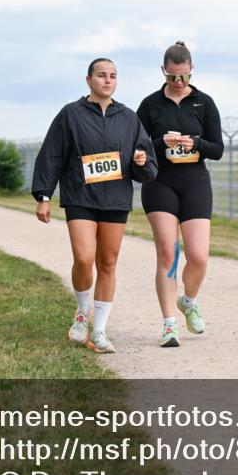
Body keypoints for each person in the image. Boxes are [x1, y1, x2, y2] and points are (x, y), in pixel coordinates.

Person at [32, 58, 157, 353]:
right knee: (84, 259)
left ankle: (99, 331)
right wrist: (44, 196)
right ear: (88, 80)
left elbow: (146, 164)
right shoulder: (71, 114)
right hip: (81, 197)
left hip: (115, 199)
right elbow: (52, 155)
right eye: (101, 75)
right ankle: (81, 311)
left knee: (108, 263)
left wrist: (141, 161)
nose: (108, 80)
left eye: (113, 76)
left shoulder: (128, 118)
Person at [137, 41, 224, 348]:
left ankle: (188, 301)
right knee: (168, 253)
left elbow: (218, 149)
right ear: (163, 71)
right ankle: (168, 324)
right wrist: (161, 142)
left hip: (195, 182)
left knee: (198, 256)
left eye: (184, 76)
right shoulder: (150, 104)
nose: (178, 81)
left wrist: (196, 143)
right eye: (172, 76)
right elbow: (138, 146)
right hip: (160, 183)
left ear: (192, 70)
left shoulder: (204, 103)